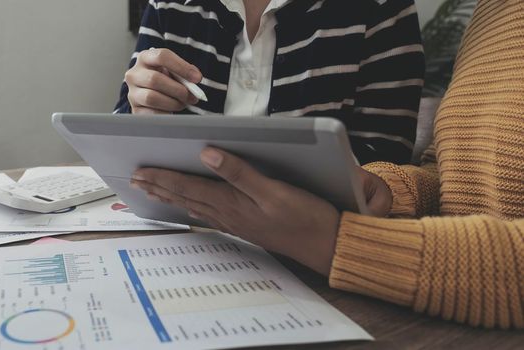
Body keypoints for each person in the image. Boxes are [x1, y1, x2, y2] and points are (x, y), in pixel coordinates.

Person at [129, 0, 523, 329]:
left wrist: (335, 240)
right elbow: (458, 176)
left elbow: (388, 150)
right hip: (197, 251)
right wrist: (392, 188)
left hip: (339, 276)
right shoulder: (495, 12)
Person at [115, 0, 425, 165]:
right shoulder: (169, 6)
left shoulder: (380, 6)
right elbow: (120, 135)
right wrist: (139, 113)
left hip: (307, 252)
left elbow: (388, 169)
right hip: (181, 236)